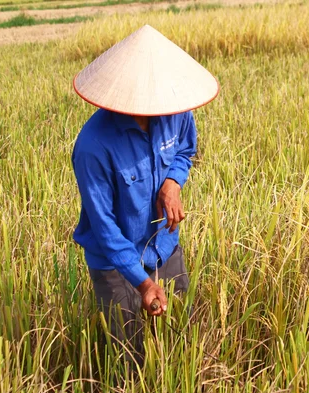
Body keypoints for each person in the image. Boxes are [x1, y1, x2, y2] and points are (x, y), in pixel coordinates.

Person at [70, 25, 219, 364]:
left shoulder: (177, 110)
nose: (161, 105)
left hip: (164, 246)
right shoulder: (93, 146)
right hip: (115, 263)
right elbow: (105, 229)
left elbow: (185, 150)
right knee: (128, 356)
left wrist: (173, 183)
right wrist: (142, 283)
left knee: (180, 340)